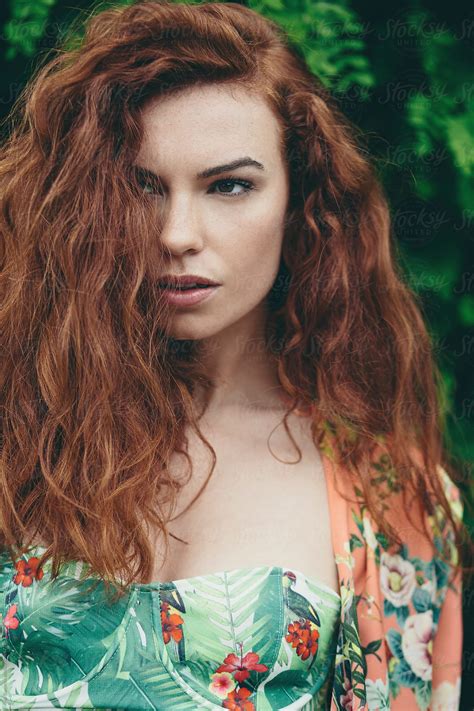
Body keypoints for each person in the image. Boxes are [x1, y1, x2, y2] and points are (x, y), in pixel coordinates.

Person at [0, 1, 471, 709]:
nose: (177, 233)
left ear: (299, 197)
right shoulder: (21, 419)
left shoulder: (390, 495)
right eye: (140, 186)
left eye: (229, 185)